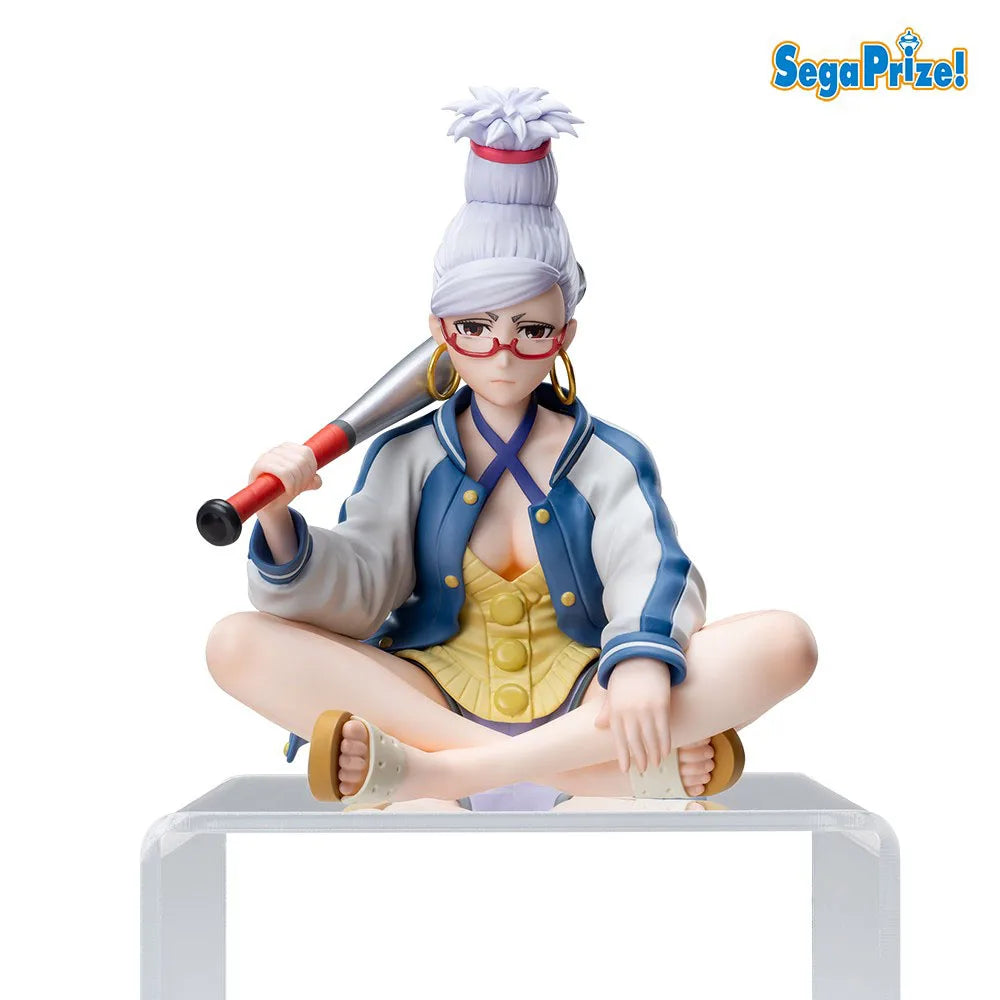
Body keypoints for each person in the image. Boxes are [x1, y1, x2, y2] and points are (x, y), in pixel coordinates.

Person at [206, 87, 817, 811]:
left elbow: (650, 568)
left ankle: (442, 775)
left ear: (565, 335)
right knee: (235, 644)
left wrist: (641, 661)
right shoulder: (407, 458)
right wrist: (278, 519)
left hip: (586, 699)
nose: (501, 354)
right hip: (437, 700)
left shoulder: (607, 458)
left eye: (530, 330)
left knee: (785, 643)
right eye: (475, 328)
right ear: (440, 331)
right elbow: (360, 594)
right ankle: (591, 771)